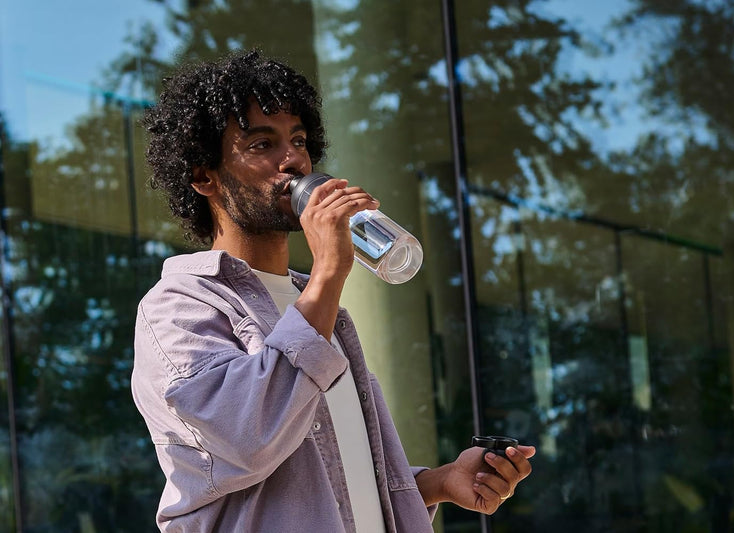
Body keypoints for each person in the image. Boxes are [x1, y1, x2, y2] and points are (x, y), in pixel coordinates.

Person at [131, 49, 535, 533]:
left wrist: (440, 482)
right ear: (203, 176)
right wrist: (329, 271)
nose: (294, 160)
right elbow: (247, 438)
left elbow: (328, 478)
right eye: (262, 145)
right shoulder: (178, 308)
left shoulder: (319, 306)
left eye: (298, 140)